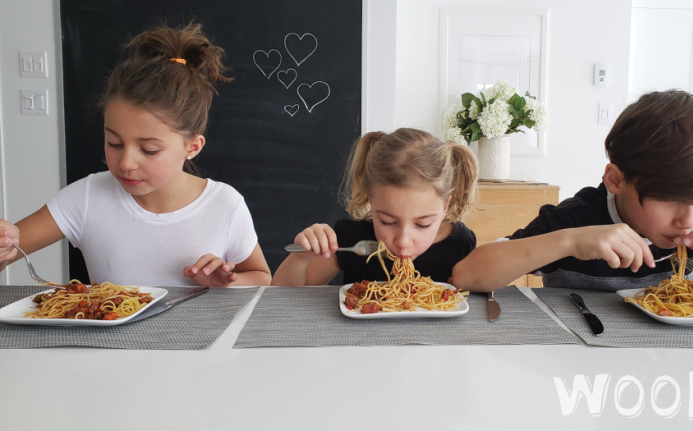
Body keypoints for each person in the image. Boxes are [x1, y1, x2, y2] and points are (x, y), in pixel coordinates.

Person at [451, 90, 693, 297]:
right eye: (668, 199)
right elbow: (468, 274)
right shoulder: (578, 219)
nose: (688, 219)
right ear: (616, 180)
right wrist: (569, 243)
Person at [0, 23, 271, 287]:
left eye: (149, 150)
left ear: (193, 147)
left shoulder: (224, 205)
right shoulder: (85, 198)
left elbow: (262, 277)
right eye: (114, 143)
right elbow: (11, 248)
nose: (126, 163)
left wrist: (223, 285)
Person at [271, 127, 478, 286]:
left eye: (423, 224)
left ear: (445, 206)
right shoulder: (352, 239)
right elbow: (283, 295)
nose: (403, 241)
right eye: (387, 221)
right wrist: (300, 257)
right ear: (371, 199)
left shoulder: (460, 243)